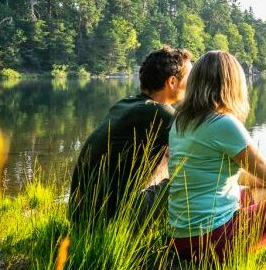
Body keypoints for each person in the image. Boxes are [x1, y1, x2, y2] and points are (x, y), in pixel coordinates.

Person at [167, 50, 266, 262]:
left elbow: (234, 175)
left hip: (181, 240)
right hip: (214, 241)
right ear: (232, 83)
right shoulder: (222, 123)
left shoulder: (181, 122)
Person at [68, 46, 194, 227]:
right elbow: (202, 152)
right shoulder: (160, 113)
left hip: (81, 216)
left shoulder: (126, 104)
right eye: (190, 78)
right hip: (108, 220)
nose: (193, 83)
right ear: (172, 81)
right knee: (196, 179)